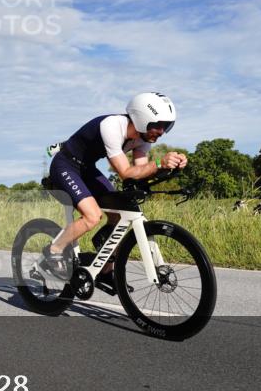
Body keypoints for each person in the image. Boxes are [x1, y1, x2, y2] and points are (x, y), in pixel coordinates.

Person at [43, 92, 188, 289]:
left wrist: (167, 167)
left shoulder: (143, 139)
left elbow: (141, 172)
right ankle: (54, 251)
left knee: (118, 215)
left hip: (86, 169)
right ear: (141, 118)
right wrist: (159, 163)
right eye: (158, 125)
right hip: (65, 165)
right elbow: (126, 172)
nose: (161, 132)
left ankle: (105, 271)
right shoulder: (112, 126)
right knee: (92, 217)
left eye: (166, 126)